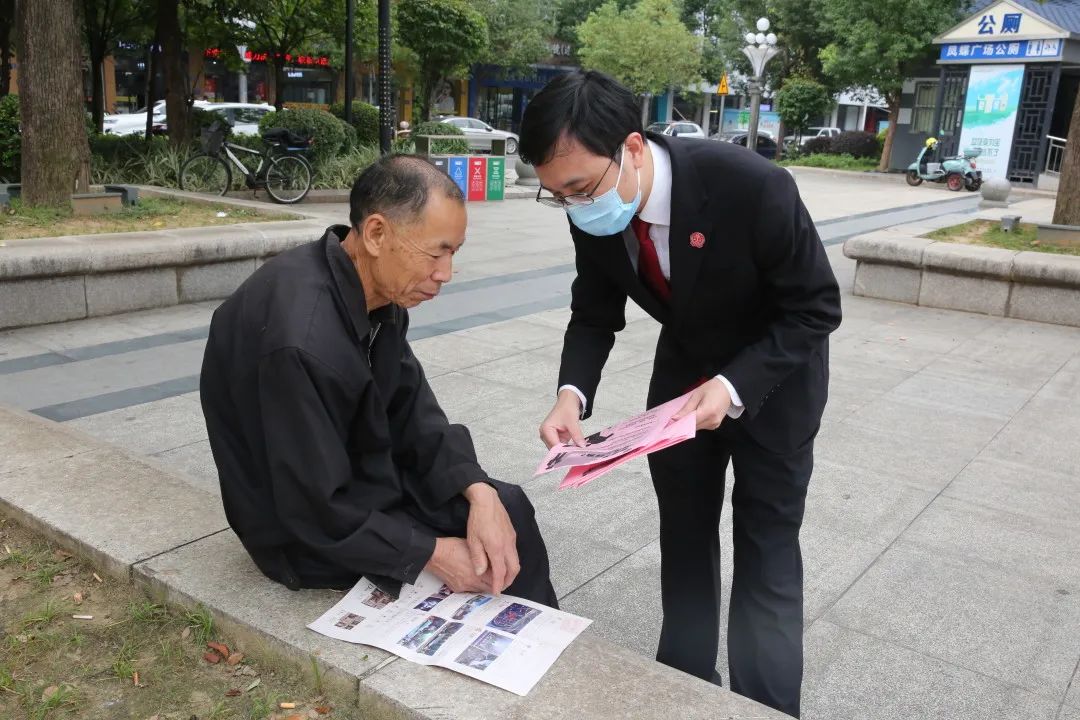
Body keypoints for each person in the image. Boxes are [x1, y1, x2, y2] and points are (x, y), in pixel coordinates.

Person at [519, 70, 841, 717]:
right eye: (558, 197)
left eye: (580, 188)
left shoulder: (752, 187)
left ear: (633, 148)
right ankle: (685, 688)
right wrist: (570, 394)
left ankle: (765, 706)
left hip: (774, 387)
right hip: (681, 387)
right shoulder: (591, 205)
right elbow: (594, 310)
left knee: (766, 551)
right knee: (685, 541)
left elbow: (815, 307)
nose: (576, 207)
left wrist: (733, 384)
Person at [200, 154, 557, 607]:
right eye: (435, 252)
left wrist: (477, 489)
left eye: (454, 253)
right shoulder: (301, 340)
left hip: (361, 474)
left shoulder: (375, 292)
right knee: (471, 553)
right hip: (303, 533)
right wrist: (431, 551)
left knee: (504, 509)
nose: (444, 274)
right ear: (375, 234)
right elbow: (313, 506)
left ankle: (532, 641)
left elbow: (414, 413)